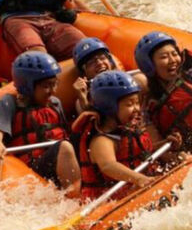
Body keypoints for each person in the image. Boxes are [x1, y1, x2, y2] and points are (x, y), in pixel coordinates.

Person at [72, 71, 181, 200]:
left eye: (137, 103)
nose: (136, 108)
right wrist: (139, 179)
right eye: (129, 104)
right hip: (110, 203)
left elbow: (139, 153)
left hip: (135, 189)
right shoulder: (101, 140)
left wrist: (165, 145)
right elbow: (108, 165)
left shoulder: (127, 129)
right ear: (109, 108)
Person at [0, 51, 81, 197]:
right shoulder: (10, 102)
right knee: (65, 147)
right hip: (34, 166)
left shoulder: (55, 103)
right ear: (28, 86)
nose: (53, 91)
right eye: (46, 86)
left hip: (60, 160)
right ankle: (76, 200)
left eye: (54, 84)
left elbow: (64, 132)